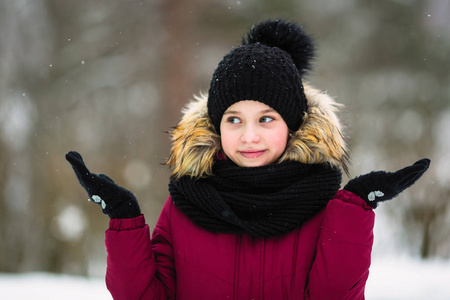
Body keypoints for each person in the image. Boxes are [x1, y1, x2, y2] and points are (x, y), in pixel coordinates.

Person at [66, 20, 430, 300]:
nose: (249, 136)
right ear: (216, 125)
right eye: (234, 119)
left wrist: (356, 209)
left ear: (292, 125)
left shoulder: (322, 205)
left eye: (266, 119)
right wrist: (125, 220)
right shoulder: (186, 201)